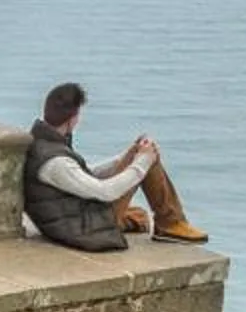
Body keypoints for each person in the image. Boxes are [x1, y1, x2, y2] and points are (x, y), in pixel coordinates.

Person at [23, 81, 207, 249]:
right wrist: (142, 163)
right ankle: (170, 223)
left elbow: (83, 175)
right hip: (79, 230)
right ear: (73, 118)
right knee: (149, 161)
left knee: (139, 212)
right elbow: (104, 192)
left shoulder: (44, 143)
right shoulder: (54, 162)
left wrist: (125, 157)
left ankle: (160, 222)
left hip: (72, 218)